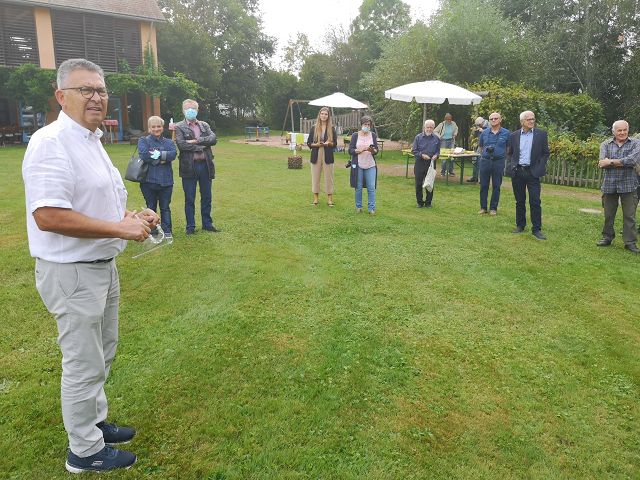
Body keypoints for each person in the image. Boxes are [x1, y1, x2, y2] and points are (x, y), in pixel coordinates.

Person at [22, 58, 159, 473]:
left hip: (100, 265)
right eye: (85, 90)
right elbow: (48, 215)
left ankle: (94, 423)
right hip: (73, 272)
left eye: (100, 90)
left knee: (102, 353)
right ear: (61, 96)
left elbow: (92, 203)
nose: (96, 97)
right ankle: (83, 450)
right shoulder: (51, 142)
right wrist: (118, 229)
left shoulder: (90, 139)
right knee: (83, 362)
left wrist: (131, 218)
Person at [175, 99, 219, 235]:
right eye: (187, 108)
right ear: (183, 110)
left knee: (207, 196)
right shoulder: (179, 126)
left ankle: (207, 224)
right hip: (189, 166)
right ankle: (190, 226)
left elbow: (214, 139)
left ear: (197, 110)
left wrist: (197, 140)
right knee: (189, 198)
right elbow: (182, 145)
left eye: (193, 108)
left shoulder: (204, 125)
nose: (190, 111)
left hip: (206, 166)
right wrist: (202, 145)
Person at [596, 120, 639, 253]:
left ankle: (630, 242)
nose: (622, 132)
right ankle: (607, 237)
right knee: (609, 214)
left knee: (629, 216)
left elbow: (633, 160)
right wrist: (622, 162)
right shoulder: (605, 144)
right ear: (613, 131)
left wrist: (610, 162)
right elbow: (602, 163)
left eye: (625, 130)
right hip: (609, 185)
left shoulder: (636, 143)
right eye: (619, 130)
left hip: (629, 185)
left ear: (628, 130)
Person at [506, 110, 550, 240]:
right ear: (522, 122)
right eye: (528, 119)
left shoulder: (541, 134)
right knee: (519, 201)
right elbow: (510, 153)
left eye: (533, 119)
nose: (531, 121)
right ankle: (520, 225)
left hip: (533, 172)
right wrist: (512, 165)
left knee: (535, 201)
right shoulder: (514, 136)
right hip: (518, 171)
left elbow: (545, 153)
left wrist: (540, 166)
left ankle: (536, 229)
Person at [138, 116, 177, 240]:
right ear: (149, 128)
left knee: (165, 208)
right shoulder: (143, 140)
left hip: (166, 181)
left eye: (159, 126)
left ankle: (167, 230)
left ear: (162, 127)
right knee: (151, 207)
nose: (156, 129)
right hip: (148, 181)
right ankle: (152, 231)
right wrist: (162, 159)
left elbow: (173, 154)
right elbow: (144, 155)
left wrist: (158, 154)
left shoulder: (169, 142)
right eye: (153, 126)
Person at [478, 112, 510, 215]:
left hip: (498, 162)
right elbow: (481, 146)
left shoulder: (506, 133)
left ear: (500, 120)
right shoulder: (484, 133)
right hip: (485, 161)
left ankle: (493, 208)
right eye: (491, 119)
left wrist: (502, 155)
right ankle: (483, 207)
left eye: (496, 118)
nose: (493, 120)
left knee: (496, 186)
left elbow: (508, 148)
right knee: (483, 185)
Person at [347, 115, 379, 214]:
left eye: (369, 125)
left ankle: (371, 208)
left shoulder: (373, 135)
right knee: (358, 187)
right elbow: (350, 150)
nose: (367, 126)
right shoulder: (355, 135)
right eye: (365, 124)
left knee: (371, 187)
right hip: (358, 164)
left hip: (370, 164)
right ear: (361, 125)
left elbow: (376, 150)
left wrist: (373, 150)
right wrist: (358, 150)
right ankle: (359, 207)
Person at [307, 106, 337, 206]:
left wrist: (329, 143)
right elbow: (309, 143)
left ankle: (330, 199)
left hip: (328, 154)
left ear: (328, 116)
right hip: (316, 154)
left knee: (329, 177)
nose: (324, 116)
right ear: (319, 115)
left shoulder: (331, 128)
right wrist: (316, 145)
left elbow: (335, 143)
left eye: (326, 114)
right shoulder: (314, 127)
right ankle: (315, 198)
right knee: (315, 176)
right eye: (322, 114)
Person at [412, 119, 441, 208]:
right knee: (418, 184)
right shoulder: (418, 137)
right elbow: (414, 150)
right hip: (420, 163)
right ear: (424, 127)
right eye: (427, 127)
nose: (429, 129)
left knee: (430, 183)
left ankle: (428, 202)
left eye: (431, 127)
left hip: (431, 163)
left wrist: (436, 155)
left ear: (434, 128)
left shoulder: (437, 138)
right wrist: (422, 155)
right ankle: (419, 202)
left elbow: (438, 151)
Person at [467, 116, 487, 183]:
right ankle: (474, 177)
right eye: (477, 125)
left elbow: (491, 135)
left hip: (485, 147)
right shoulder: (478, 127)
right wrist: (474, 131)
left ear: (482, 123)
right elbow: (474, 137)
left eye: (479, 125)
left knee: (481, 162)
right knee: (475, 161)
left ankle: (481, 179)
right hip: (478, 146)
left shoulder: (489, 126)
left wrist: (483, 131)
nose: (478, 126)